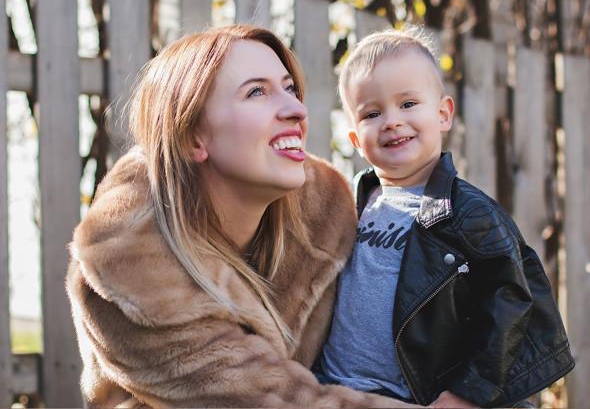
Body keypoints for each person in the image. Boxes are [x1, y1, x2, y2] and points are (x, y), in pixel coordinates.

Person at [66, 24, 418, 408]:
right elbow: (279, 402)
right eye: (257, 92)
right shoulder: (127, 273)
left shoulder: (327, 219)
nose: (296, 109)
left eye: (289, 88)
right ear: (192, 138)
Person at [316, 27, 574, 408]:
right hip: (334, 388)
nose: (391, 121)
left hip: (415, 397)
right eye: (372, 113)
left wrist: (467, 393)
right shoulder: (348, 201)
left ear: (443, 114)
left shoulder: (468, 213)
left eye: (407, 104)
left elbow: (513, 304)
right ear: (355, 138)